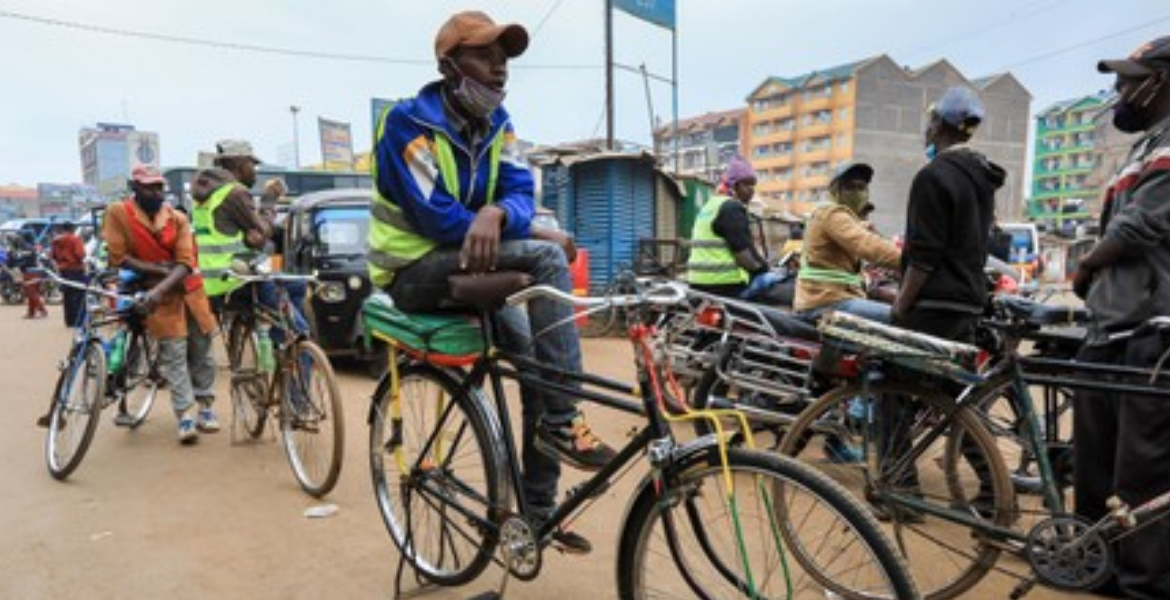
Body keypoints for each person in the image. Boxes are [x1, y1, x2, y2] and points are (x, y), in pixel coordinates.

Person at [367, 10, 615, 553]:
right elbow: (434, 216)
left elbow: (522, 191)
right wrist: (506, 226)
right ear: (449, 65)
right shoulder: (405, 124)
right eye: (484, 56)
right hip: (413, 270)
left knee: (533, 367)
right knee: (549, 263)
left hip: (470, 260)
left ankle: (538, 514)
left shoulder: (501, 124)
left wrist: (498, 213)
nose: (499, 69)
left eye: (504, 59)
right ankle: (564, 419)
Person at [1070, 37, 1170, 599]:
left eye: (1131, 80)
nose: (1120, 93)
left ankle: (1141, 587)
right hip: (1109, 329)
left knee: (1141, 480)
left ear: (1162, 80)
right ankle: (1098, 572)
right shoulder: (1142, 148)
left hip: (1152, 333)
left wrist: (1086, 265)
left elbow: (1139, 227)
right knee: (1095, 473)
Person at [102, 166, 219, 442]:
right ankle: (185, 415)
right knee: (174, 352)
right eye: (148, 187)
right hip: (157, 292)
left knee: (202, 350)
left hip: (188, 290)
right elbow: (119, 257)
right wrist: (160, 272)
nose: (155, 192)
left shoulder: (177, 217)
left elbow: (186, 262)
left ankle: (206, 407)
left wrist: (164, 280)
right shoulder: (118, 213)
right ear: (135, 187)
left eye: (159, 187)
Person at [893, 86, 1004, 340]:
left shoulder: (933, 176)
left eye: (930, 123)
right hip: (970, 302)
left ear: (938, 125)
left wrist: (900, 306)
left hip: (935, 305)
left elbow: (924, 254)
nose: (927, 131)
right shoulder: (981, 177)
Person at [191, 140, 307, 366]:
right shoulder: (235, 193)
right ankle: (297, 400)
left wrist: (252, 236)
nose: (254, 171)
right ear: (238, 163)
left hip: (213, 282)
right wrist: (269, 201)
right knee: (301, 332)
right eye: (252, 164)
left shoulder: (203, 195)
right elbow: (261, 235)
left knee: (298, 285)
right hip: (240, 281)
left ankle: (277, 337)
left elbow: (241, 234)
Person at [794, 162, 901, 323]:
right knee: (902, 319)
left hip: (837, 299)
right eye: (850, 187)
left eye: (862, 188)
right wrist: (911, 261)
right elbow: (868, 245)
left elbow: (875, 241)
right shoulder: (832, 213)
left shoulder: (848, 220)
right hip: (825, 303)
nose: (857, 193)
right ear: (835, 191)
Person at [686, 157, 776, 300]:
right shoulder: (732, 208)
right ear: (733, 185)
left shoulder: (710, 205)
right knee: (776, 283)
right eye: (746, 184)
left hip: (696, 283)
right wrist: (765, 269)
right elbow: (745, 257)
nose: (751, 190)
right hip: (725, 287)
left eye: (753, 185)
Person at [50, 221, 88, 327]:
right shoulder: (75, 239)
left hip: (63, 270)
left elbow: (52, 256)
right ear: (72, 229)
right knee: (79, 295)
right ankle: (79, 321)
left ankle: (69, 321)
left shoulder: (56, 241)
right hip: (76, 270)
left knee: (67, 296)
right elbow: (81, 254)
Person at [13, 232, 47, 319]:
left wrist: (17, 264)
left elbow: (23, 261)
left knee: (31, 292)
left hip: (29, 272)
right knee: (31, 293)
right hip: (35, 271)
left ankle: (42, 310)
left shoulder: (27, 248)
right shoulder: (32, 247)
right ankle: (31, 312)